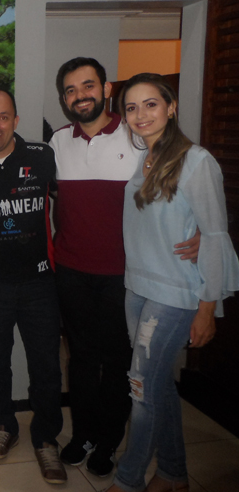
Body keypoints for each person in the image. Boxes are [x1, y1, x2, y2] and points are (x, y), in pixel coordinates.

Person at [48, 58, 200, 477]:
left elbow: (181, 188)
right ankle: (83, 434)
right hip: (72, 271)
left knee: (119, 361)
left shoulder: (137, 137)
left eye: (87, 86)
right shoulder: (58, 142)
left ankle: (109, 440)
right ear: (64, 99)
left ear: (106, 88)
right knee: (80, 359)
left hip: (125, 275)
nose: (80, 96)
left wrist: (202, 232)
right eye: (70, 90)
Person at [108, 73, 239, 492]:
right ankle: (173, 473)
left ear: (171, 107)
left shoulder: (196, 161)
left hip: (175, 293)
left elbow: (215, 235)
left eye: (151, 104)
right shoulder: (140, 158)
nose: (140, 115)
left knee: (140, 387)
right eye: (131, 107)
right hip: (137, 288)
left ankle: (128, 480)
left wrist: (208, 307)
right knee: (157, 384)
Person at [0, 88, 66, 484]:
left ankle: (46, 438)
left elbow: (76, 200)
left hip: (39, 281)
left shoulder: (43, 157)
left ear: (16, 120)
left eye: (3, 116)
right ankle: (4, 425)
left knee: (46, 364)